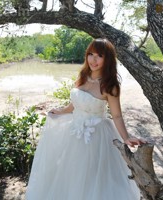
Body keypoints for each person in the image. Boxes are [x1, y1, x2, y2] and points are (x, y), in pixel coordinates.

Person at [25, 38, 146, 200]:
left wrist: (126, 138)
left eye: (99, 56)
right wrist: (60, 111)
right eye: (90, 54)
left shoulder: (110, 85)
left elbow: (116, 115)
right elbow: (74, 105)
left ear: (108, 59)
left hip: (97, 136)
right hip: (74, 132)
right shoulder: (82, 76)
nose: (93, 60)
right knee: (72, 173)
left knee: (94, 177)